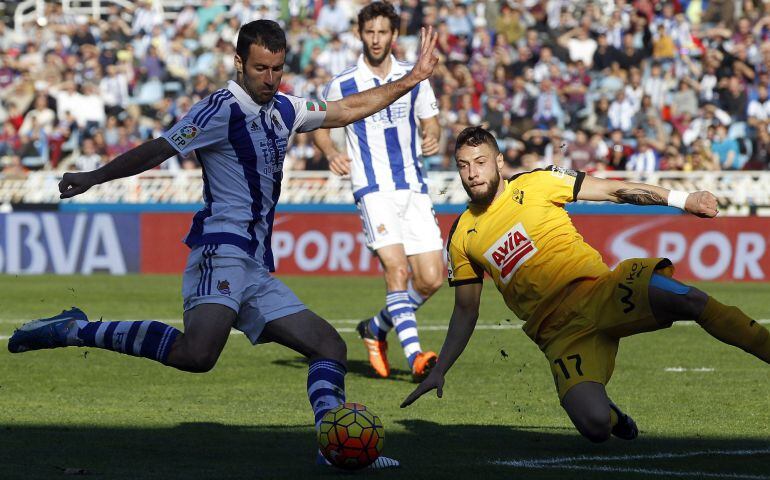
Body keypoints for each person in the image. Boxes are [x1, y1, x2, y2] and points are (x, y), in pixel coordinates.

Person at [9, 19, 441, 468]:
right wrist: (93, 177)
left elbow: (347, 109)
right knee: (197, 356)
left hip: (253, 265)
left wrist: (410, 80)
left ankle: (334, 447)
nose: (270, 79)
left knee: (328, 346)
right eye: (260, 69)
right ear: (239, 62)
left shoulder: (287, 108)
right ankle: (73, 329)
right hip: (221, 250)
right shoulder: (218, 109)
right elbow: (159, 149)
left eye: (277, 69)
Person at [402, 126, 770, 443]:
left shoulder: (538, 183)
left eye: (480, 162)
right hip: (560, 335)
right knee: (595, 427)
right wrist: (441, 367)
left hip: (602, 291)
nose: (472, 173)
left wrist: (682, 199)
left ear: (499, 162)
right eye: (463, 166)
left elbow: (614, 191)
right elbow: (466, 309)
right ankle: (613, 417)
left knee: (688, 298)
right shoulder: (462, 235)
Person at [314, 2, 443, 382]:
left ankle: (375, 327)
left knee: (432, 278)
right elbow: (320, 123)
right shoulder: (343, 82)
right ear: (360, 34)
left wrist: (432, 136)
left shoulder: (413, 75)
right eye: (369, 32)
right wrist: (332, 151)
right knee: (397, 270)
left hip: (413, 187)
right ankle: (417, 356)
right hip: (372, 189)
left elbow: (431, 120)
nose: (375, 39)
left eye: (382, 32)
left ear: (393, 35)